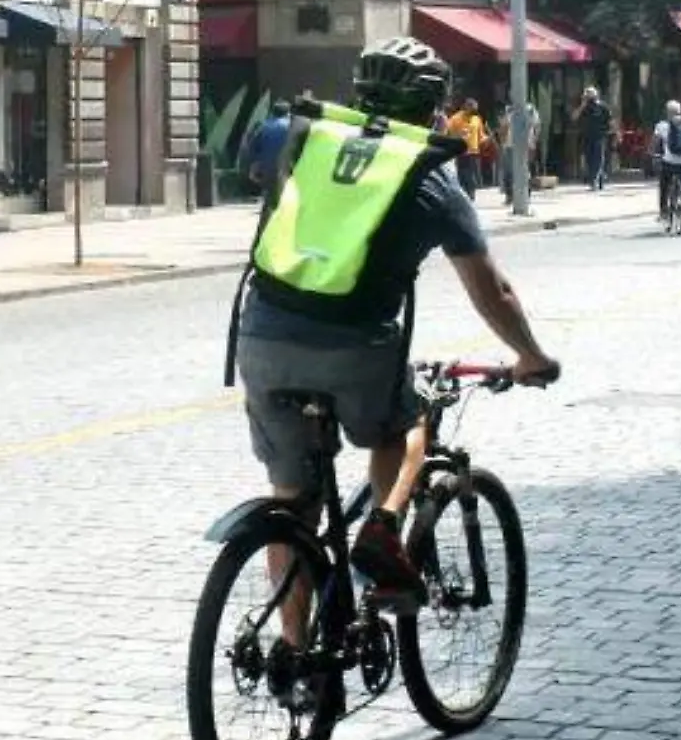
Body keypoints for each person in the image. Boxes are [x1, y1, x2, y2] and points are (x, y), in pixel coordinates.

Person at [232, 36, 559, 641]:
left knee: (291, 503)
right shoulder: (431, 177)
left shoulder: (299, 134)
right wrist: (529, 354)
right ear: (435, 111)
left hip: (262, 336)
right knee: (406, 424)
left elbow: (256, 167)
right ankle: (383, 529)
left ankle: (296, 656)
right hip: (356, 345)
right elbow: (493, 292)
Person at [652, 101, 681, 220]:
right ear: (680, 111)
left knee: (664, 184)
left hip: (670, 162)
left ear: (667, 113)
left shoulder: (661, 125)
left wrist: (653, 154)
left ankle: (663, 211)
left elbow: (655, 143)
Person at [237, 99, 294, 191]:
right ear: (288, 113)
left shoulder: (263, 126)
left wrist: (254, 165)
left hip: (267, 168)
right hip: (287, 168)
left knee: (270, 193)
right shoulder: (291, 127)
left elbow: (253, 147)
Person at [571, 87, 614, 190]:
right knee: (589, 159)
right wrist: (582, 105)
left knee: (598, 159)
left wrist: (614, 133)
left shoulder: (603, 107)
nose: (590, 98)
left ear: (596, 95)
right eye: (587, 95)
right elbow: (574, 117)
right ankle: (598, 179)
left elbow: (611, 121)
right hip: (586, 137)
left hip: (600, 136)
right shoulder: (583, 107)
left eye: (591, 95)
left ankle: (594, 180)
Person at [447, 98, 488, 200]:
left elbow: (481, 135)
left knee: (471, 175)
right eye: (472, 109)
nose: (474, 112)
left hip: (474, 151)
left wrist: (486, 140)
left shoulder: (476, 119)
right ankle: (467, 194)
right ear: (466, 106)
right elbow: (448, 133)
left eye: (475, 110)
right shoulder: (455, 119)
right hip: (461, 150)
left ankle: (470, 194)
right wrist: (458, 135)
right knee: (463, 174)